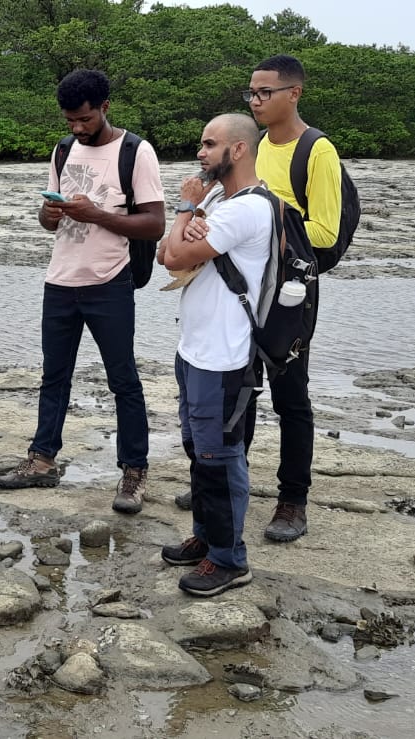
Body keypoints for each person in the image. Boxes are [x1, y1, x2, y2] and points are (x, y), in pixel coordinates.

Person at [0, 69, 164, 515]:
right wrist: (49, 213)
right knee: (54, 375)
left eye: (84, 119)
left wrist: (96, 214)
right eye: (69, 120)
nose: (76, 128)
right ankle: (41, 459)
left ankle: (134, 471)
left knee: (122, 379)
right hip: (61, 279)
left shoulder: (135, 151)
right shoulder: (64, 149)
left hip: (110, 280)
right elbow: (48, 221)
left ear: (105, 107)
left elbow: (154, 224)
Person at [156, 114, 271, 597]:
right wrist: (192, 216)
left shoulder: (246, 209)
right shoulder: (223, 201)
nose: (200, 153)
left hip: (225, 356)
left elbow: (172, 256)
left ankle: (229, 559)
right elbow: (171, 246)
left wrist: (185, 205)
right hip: (197, 348)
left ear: (239, 150)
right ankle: (206, 538)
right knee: (198, 451)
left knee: (219, 457)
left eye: (209, 144)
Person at [243, 54, 341, 543]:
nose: (257, 101)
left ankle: (292, 501)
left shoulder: (317, 151)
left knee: (290, 395)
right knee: (237, 383)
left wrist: (269, 213)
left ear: (293, 94)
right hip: (245, 286)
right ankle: (230, 480)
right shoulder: (257, 147)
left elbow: (325, 233)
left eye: (265, 92)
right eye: (253, 93)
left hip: (291, 291)